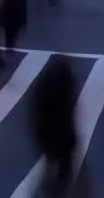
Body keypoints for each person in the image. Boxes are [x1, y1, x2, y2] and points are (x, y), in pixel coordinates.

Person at [32, 60, 78, 197]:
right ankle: (56, 189)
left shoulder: (42, 91)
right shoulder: (64, 94)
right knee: (64, 166)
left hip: (47, 135)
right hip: (61, 136)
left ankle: (50, 188)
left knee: (52, 160)